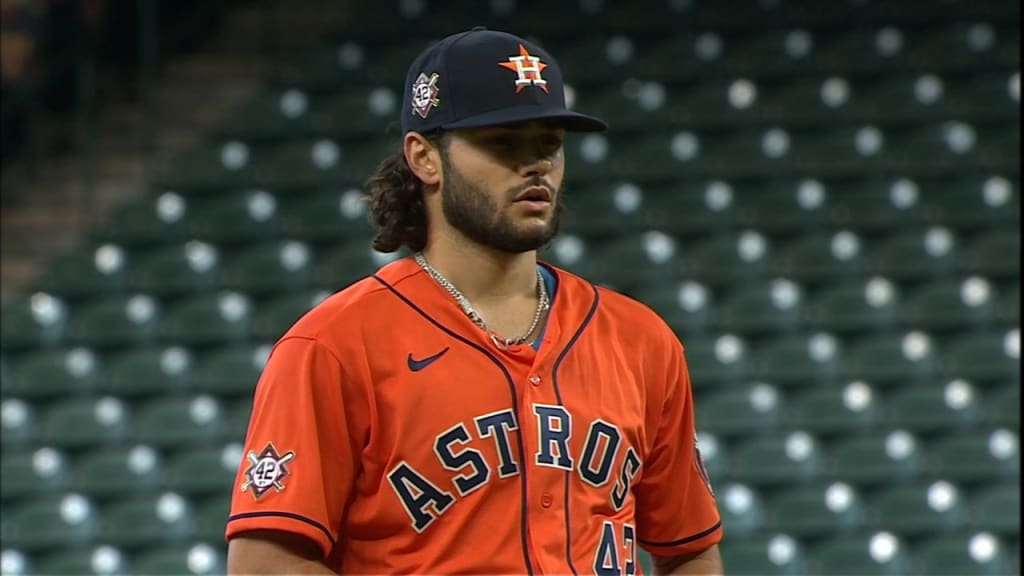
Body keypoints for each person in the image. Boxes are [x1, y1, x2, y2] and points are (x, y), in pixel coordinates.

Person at [225, 27, 723, 575]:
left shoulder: (641, 340)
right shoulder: (334, 347)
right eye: (504, 144)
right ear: (425, 158)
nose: (536, 166)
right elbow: (266, 563)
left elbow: (688, 548)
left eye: (549, 145)